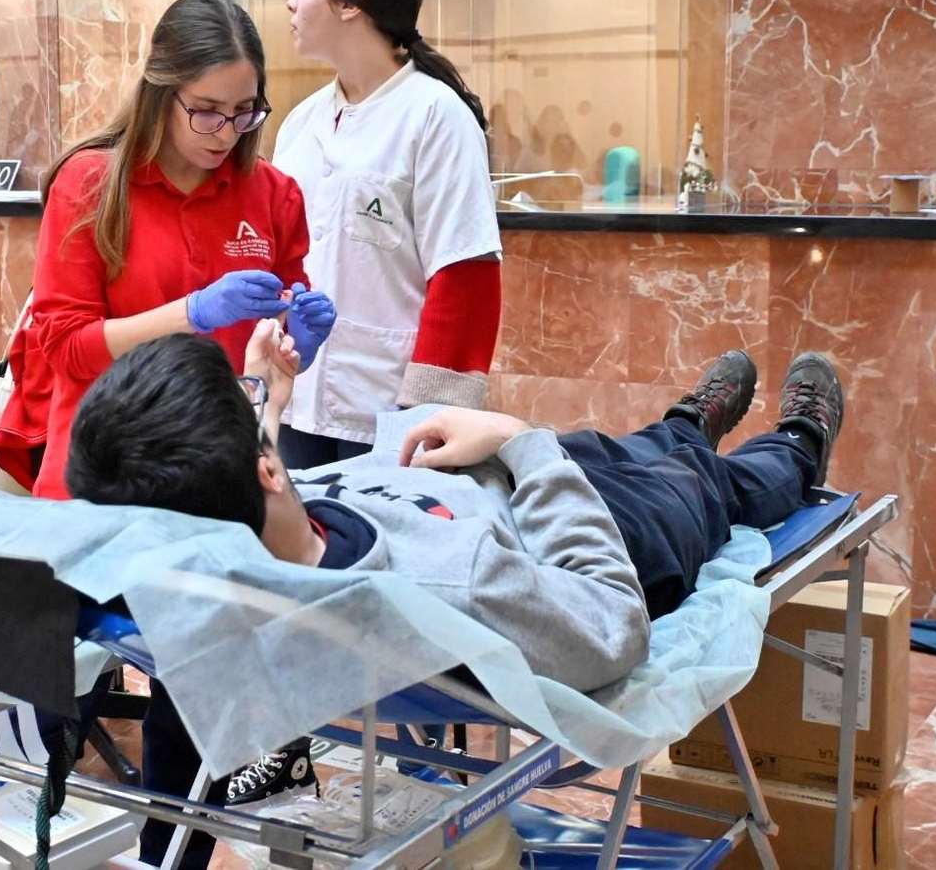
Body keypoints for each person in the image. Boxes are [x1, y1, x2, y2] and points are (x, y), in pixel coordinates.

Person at [63, 327, 845, 857]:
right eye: (252, 413)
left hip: (497, 481)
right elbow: (612, 623)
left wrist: (269, 388)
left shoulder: (219, 562)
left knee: (622, 445)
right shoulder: (449, 587)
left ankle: (684, 422)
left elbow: (234, 480)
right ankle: (796, 443)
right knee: (718, 483)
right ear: (266, 470)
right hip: (609, 529)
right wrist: (516, 441)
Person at [13, 0, 336, 499]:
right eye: (206, 111)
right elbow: (65, 347)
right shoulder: (90, 185)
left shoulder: (273, 194)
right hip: (103, 473)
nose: (226, 133)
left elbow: (270, 355)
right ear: (162, 93)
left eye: (244, 111)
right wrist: (194, 313)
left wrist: (297, 342)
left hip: (217, 474)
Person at [271, 0, 503, 470]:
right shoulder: (300, 123)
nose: (291, 0)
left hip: (391, 405)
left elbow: (465, 273)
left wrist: (433, 411)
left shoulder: (435, 115)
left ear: (352, 3)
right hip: (297, 391)